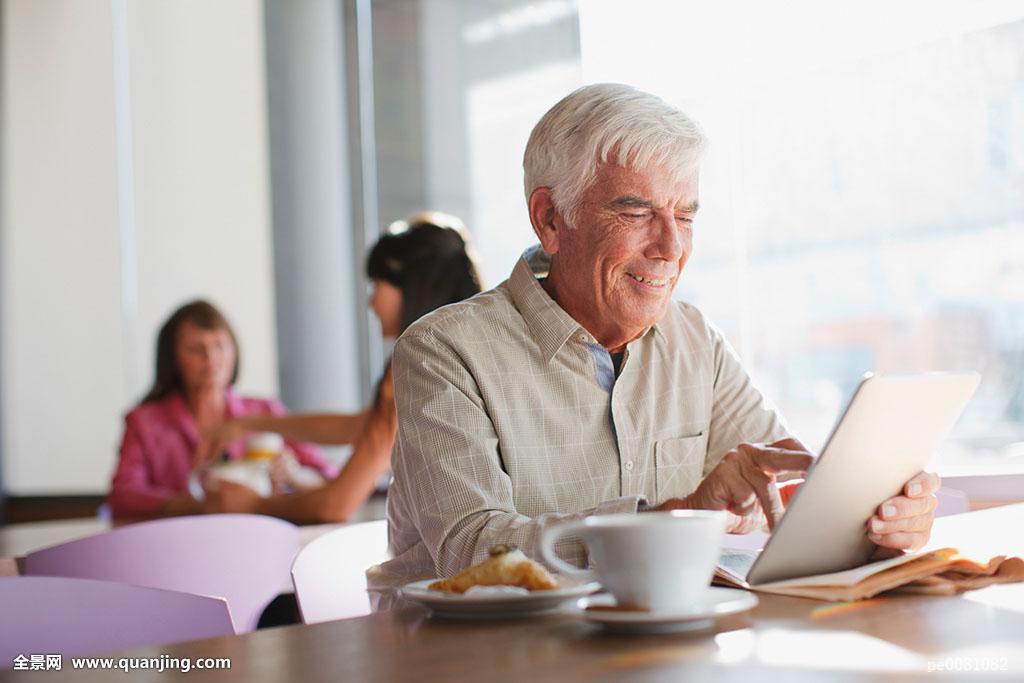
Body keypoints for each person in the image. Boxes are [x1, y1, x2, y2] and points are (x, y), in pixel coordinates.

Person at [374, 83, 940, 588]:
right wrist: (675, 517)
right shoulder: (444, 351)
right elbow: (472, 555)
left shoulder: (693, 338)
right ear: (550, 220)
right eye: (637, 212)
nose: (671, 247)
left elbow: (783, 488)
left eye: (685, 216)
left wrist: (868, 518)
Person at [196, 214, 484, 523]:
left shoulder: (416, 366)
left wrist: (251, 505)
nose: (371, 302)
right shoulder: (460, 351)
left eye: (376, 284)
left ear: (410, 286)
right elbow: (361, 426)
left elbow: (335, 505)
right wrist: (252, 424)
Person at [107, 300, 333, 518]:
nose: (211, 358)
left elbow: (330, 477)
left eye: (220, 345)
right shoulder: (144, 422)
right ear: (172, 358)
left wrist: (295, 476)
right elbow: (123, 495)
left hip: (260, 534)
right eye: (195, 348)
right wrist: (198, 505)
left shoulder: (265, 411)